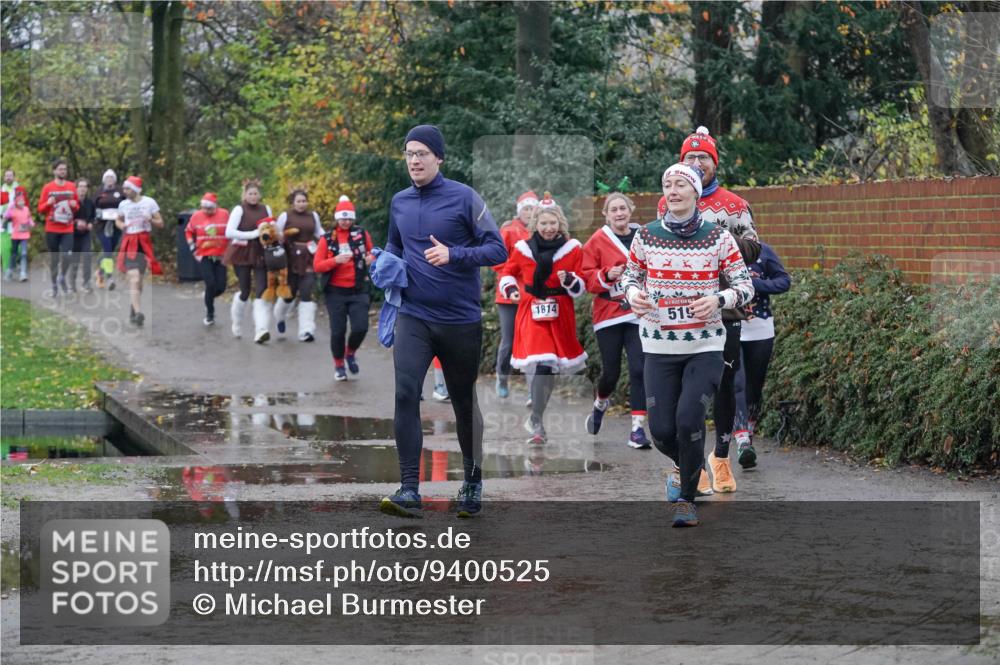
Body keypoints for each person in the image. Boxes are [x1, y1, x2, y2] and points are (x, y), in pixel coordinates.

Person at [379, 124, 507, 519]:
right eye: (409, 154)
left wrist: (455, 254)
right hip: (413, 315)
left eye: (421, 153)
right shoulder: (400, 202)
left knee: (463, 401)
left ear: (439, 158)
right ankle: (409, 488)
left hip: (459, 320)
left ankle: (472, 482)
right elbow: (395, 244)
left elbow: (497, 249)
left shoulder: (464, 198)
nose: (414, 160)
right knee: (405, 393)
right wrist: (385, 263)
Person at [622, 163, 754, 527]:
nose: (673, 190)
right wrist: (633, 294)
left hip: (704, 345)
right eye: (668, 184)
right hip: (659, 345)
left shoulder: (718, 237)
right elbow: (629, 276)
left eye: (681, 184)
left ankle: (686, 500)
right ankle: (689, 465)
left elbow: (745, 285)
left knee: (688, 419)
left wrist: (719, 299)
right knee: (662, 431)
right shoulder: (646, 235)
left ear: (696, 192)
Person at [677, 126, 761, 494]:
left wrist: (718, 240)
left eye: (703, 157)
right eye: (690, 157)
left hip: (725, 310)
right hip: (680, 310)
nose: (697, 162)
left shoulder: (734, 205)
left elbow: (755, 248)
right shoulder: (670, 201)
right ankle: (692, 463)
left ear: (715, 164)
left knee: (725, 385)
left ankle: (722, 458)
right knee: (688, 390)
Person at [499, 198, 588, 445]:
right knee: (543, 363)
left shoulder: (572, 248)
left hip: (560, 311)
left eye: (553, 223)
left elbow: (581, 282)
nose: (549, 228)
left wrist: (570, 280)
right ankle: (537, 422)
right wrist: (510, 289)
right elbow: (508, 272)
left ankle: (536, 416)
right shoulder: (523, 248)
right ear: (535, 224)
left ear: (560, 223)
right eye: (544, 223)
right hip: (532, 309)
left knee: (549, 368)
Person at [581, 191, 650, 449]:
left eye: (623, 208)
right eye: (614, 210)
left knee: (639, 368)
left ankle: (637, 430)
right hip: (608, 314)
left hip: (637, 312)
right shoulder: (597, 241)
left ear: (630, 210)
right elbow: (587, 278)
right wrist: (607, 275)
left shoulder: (644, 236)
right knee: (611, 372)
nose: (619, 213)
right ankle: (600, 403)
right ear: (606, 214)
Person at [732, 240, 790, 467]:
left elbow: (783, 281)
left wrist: (755, 284)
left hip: (760, 328)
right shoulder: (716, 249)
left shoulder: (763, 251)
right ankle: (742, 440)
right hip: (730, 327)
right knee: (737, 383)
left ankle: (749, 431)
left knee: (754, 387)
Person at [314, 194, 374, 381]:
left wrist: (371, 259)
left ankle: (350, 353)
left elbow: (372, 252)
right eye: (342, 218)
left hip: (358, 289)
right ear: (337, 218)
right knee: (338, 331)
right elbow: (317, 266)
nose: (346, 222)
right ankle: (339, 365)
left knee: (361, 327)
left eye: (349, 218)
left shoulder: (361, 234)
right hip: (335, 292)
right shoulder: (327, 239)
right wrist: (335, 260)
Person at [492, 190, 537, 398]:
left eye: (533, 208)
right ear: (520, 211)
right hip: (508, 295)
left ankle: (532, 390)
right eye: (526, 209)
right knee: (509, 341)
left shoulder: (542, 230)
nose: (529, 212)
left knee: (531, 342)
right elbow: (497, 261)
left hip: (533, 295)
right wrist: (515, 271)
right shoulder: (509, 230)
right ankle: (502, 377)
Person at [223, 179, 273, 343]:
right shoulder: (239, 209)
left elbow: (271, 228)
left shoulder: (266, 209)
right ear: (245, 195)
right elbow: (229, 232)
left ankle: (261, 329)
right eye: (250, 194)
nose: (253, 196)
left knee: (262, 289)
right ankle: (237, 322)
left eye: (255, 193)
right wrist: (253, 234)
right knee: (245, 290)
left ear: (260, 195)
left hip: (261, 252)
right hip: (242, 252)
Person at [274, 189, 324, 342]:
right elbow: (277, 235)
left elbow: (319, 232)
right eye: (299, 201)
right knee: (289, 295)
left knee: (307, 292)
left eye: (304, 201)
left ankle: (306, 330)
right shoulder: (285, 216)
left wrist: (330, 239)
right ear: (293, 203)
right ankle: (279, 316)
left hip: (309, 256)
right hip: (290, 258)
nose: (302, 204)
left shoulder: (313, 216)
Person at [115, 176, 164, 326]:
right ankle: (138, 313)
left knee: (139, 282)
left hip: (143, 242)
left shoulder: (149, 202)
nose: (124, 191)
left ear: (135, 189)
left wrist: (150, 220)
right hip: (129, 242)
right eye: (124, 188)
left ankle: (133, 308)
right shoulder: (123, 204)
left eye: (127, 188)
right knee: (134, 278)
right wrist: (121, 225)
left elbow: (161, 223)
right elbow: (118, 220)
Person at [185, 192, 231, 326]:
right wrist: (192, 246)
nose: (206, 211)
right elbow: (188, 231)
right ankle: (210, 314)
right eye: (204, 208)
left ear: (215, 206)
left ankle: (208, 296)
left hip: (221, 255)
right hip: (204, 255)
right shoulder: (196, 216)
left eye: (209, 208)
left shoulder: (225, 214)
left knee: (221, 287)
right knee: (210, 283)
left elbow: (231, 230)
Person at [37, 158, 80, 296]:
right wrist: (48, 203)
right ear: (54, 171)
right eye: (60, 169)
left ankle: (62, 277)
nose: (63, 171)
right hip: (52, 228)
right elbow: (40, 209)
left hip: (67, 228)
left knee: (67, 255)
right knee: (54, 259)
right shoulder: (48, 188)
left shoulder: (71, 186)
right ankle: (54, 285)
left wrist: (75, 206)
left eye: (65, 169)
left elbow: (76, 206)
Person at [92, 169, 124, 290]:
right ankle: (109, 277)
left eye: (111, 178)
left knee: (109, 250)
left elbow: (126, 205)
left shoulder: (120, 191)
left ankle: (100, 272)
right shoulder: (98, 192)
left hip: (116, 225)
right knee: (108, 250)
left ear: (115, 180)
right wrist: (96, 215)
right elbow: (92, 207)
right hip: (101, 225)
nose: (109, 180)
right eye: (107, 178)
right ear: (104, 180)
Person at [67, 178, 95, 293]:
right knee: (75, 260)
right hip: (73, 235)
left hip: (85, 235)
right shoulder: (71, 202)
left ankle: (86, 283)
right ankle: (72, 285)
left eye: (85, 186)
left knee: (87, 257)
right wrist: (76, 223)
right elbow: (66, 217)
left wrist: (91, 224)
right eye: (81, 186)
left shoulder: (90, 202)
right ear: (76, 188)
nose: (83, 189)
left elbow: (93, 217)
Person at [3, 191, 34, 281]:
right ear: (16, 202)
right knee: (14, 254)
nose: (22, 203)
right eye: (20, 201)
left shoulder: (26, 209)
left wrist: (31, 223)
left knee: (24, 253)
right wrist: (10, 207)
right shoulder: (12, 210)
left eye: (23, 201)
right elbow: (5, 217)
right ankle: (9, 271)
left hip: (24, 235)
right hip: (15, 236)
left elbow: (29, 218)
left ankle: (23, 273)